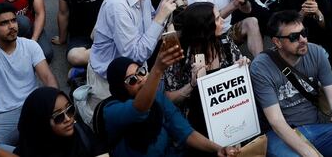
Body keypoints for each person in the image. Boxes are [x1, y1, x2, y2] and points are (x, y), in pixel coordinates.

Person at [251, 10, 332, 157]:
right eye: (294, 37)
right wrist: (308, 152)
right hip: (282, 135)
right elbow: (276, 121)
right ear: (277, 42)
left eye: (304, 33)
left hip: (316, 129)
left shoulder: (316, 52)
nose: (303, 40)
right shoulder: (261, 66)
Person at [87, 0, 182, 109]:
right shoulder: (117, 6)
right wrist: (160, 17)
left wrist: (161, 9)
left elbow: (148, 27)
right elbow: (135, 55)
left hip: (134, 75)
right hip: (110, 82)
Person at [102, 51, 240, 157]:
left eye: (141, 72)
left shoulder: (156, 97)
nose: (139, 79)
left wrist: (218, 149)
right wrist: (157, 69)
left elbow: (185, 132)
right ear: (119, 87)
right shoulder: (111, 110)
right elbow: (139, 110)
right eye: (131, 80)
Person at [0, 3, 59, 156]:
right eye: (4, 23)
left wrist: (55, 107)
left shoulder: (30, 46)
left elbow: (47, 77)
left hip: (33, 107)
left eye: (13, 21)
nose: (11, 26)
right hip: (3, 115)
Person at [163, 2, 245, 140]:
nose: (222, 21)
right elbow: (169, 99)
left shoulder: (225, 43)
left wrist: (241, 67)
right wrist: (192, 85)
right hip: (195, 125)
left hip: (228, 117)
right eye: (217, 19)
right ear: (205, 27)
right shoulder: (178, 55)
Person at [0, 87, 104, 157]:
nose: (68, 119)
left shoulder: (82, 134)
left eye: (70, 110)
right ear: (42, 124)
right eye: (58, 117)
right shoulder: (35, 148)